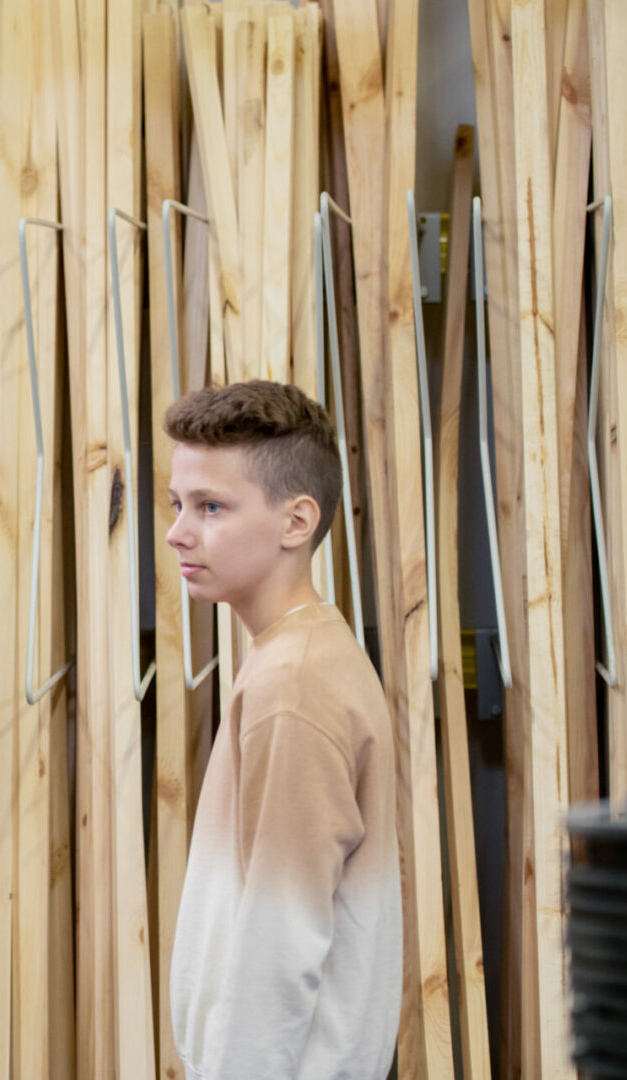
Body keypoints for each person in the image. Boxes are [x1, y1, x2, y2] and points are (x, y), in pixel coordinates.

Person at [163, 380, 401, 1080]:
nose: (179, 530)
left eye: (211, 507)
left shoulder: (291, 687)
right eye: (178, 504)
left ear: (297, 522)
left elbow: (280, 942)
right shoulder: (300, 655)